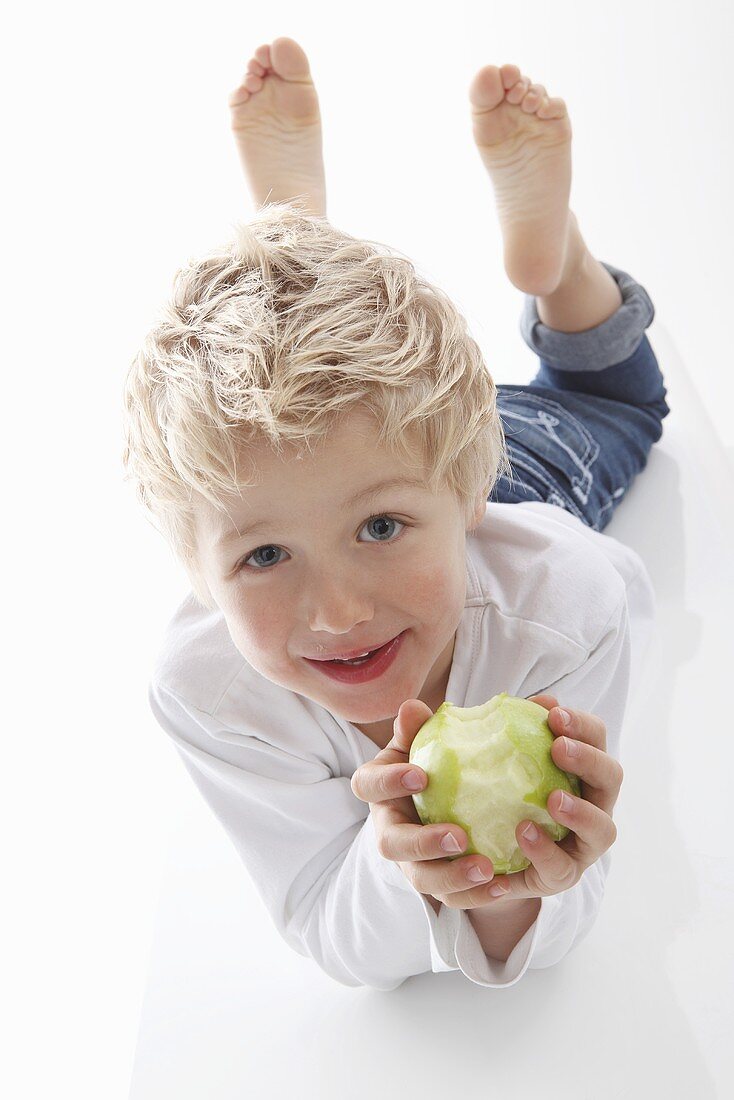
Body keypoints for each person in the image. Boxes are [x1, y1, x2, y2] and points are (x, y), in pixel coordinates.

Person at [122, 37, 669, 990]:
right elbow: (332, 935)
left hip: (519, 480)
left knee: (613, 400)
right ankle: (293, 243)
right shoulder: (208, 693)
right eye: (262, 557)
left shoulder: (566, 602)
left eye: (378, 533)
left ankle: (559, 266)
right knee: (334, 438)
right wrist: (398, 856)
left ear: (462, 496)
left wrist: (516, 886)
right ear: (195, 572)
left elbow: (560, 918)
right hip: (381, 450)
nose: (336, 615)